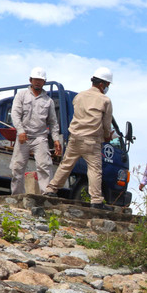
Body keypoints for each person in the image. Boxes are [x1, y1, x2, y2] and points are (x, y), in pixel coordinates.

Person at [43, 67, 114, 210]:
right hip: (91, 140)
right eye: (107, 84)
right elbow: (107, 124)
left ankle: (51, 190)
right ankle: (96, 200)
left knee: (66, 165)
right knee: (94, 170)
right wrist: (107, 136)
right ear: (102, 84)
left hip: (75, 138)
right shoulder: (105, 100)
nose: (107, 87)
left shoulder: (79, 96)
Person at [9, 67, 62, 194]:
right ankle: (17, 195)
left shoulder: (48, 101)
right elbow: (15, 114)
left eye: (40, 80)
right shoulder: (21, 95)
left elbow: (53, 122)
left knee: (44, 165)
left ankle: (47, 194)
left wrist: (56, 139)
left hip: (40, 137)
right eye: (35, 79)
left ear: (44, 82)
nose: (38, 82)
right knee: (17, 167)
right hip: (24, 136)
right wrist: (20, 131)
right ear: (30, 80)